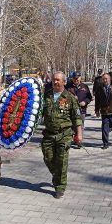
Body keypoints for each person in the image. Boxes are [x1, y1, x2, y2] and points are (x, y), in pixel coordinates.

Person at [41, 71, 82, 199]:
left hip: (64, 134)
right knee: (48, 158)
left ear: (64, 82)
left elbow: (77, 117)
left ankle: (60, 186)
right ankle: (56, 174)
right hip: (48, 134)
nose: (55, 82)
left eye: (58, 80)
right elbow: (39, 113)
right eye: (54, 80)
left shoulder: (69, 97)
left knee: (62, 161)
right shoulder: (46, 96)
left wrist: (79, 134)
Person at [65, 71, 92, 147]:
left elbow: (89, 97)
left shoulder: (84, 86)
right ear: (72, 79)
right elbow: (63, 98)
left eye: (78, 78)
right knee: (71, 125)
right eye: (75, 78)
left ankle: (79, 141)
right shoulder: (68, 87)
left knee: (80, 125)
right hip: (71, 110)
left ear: (80, 78)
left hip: (82, 110)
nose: (76, 79)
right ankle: (72, 139)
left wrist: (85, 102)